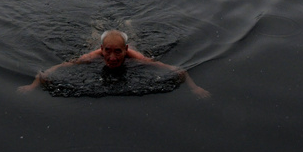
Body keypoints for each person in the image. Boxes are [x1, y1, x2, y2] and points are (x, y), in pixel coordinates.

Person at [18, 29, 210, 98]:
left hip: (126, 41)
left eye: (117, 52)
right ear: (101, 50)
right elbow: (51, 70)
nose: (111, 58)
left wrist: (195, 88)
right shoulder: (92, 56)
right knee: (95, 34)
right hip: (103, 40)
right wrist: (33, 85)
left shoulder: (136, 57)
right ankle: (100, 31)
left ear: (126, 50)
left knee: (129, 30)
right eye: (107, 51)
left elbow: (178, 71)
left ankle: (126, 29)